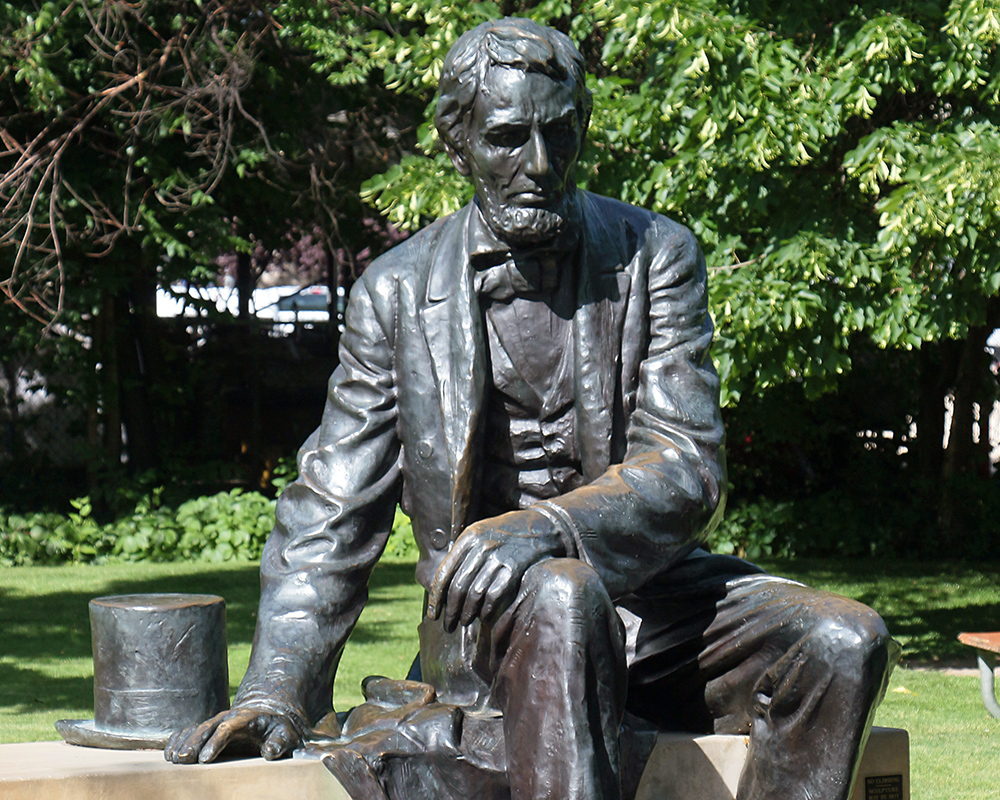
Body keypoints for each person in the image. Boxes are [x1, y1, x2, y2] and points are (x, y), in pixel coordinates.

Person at [166, 18, 896, 800]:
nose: (538, 165)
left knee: (846, 640)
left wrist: (548, 527)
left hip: (655, 608)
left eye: (558, 134)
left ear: (580, 128)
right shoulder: (398, 293)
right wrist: (275, 688)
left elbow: (686, 467)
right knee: (562, 592)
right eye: (508, 137)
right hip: (492, 637)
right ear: (461, 144)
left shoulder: (656, 256)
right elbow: (333, 507)